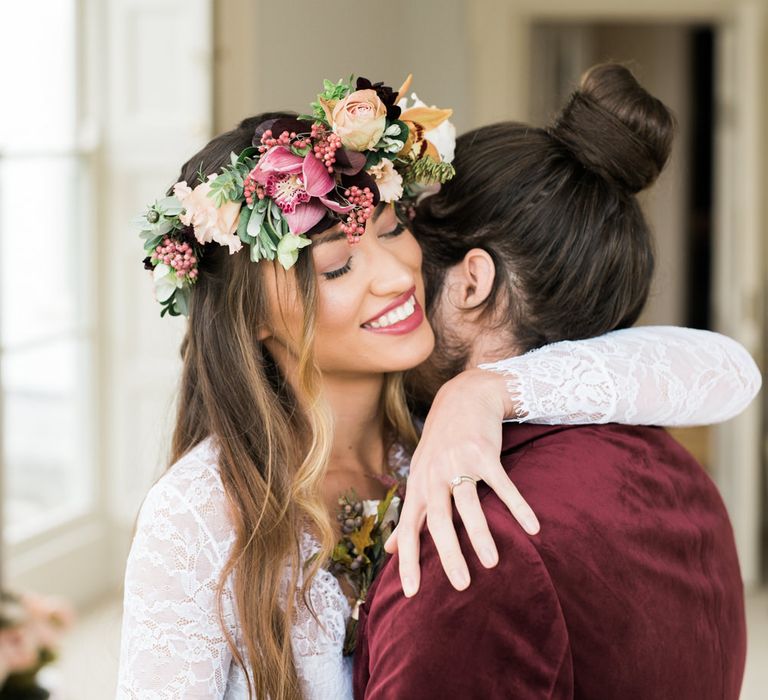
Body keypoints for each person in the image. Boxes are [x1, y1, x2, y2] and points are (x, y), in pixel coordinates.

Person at [116, 74, 758, 700]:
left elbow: (722, 369)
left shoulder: (437, 442)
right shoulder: (196, 516)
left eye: (395, 228)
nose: (396, 273)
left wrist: (484, 391)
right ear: (251, 317)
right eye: (338, 264)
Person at [354, 64, 751, 699]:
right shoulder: (686, 484)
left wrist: (479, 389)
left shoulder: (471, 541)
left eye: (410, 242)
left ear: (472, 282)